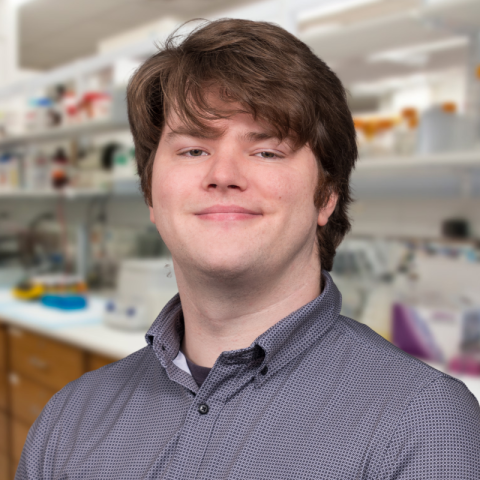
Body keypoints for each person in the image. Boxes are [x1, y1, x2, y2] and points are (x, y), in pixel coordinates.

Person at [16, 18, 480, 480]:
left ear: (326, 196)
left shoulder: (423, 427)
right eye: (193, 149)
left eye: (267, 151)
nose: (223, 173)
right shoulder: (68, 419)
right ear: (152, 197)